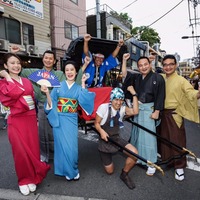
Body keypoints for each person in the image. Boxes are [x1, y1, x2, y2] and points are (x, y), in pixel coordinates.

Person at [0, 53, 50, 196]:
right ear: (5, 66)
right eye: (12, 63)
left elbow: (31, 99)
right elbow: (14, 94)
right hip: (16, 120)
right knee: (20, 152)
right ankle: (23, 179)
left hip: (29, 119)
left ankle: (33, 177)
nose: (16, 66)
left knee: (33, 150)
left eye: (18, 63)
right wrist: (8, 78)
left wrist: (35, 116)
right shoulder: (3, 82)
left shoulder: (27, 81)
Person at [41, 59, 95, 180]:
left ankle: (73, 169)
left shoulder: (77, 87)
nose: (69, 72)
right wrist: (47, 94)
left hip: (71, 119)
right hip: (59, 119)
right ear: (64, 72)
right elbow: (52, 103)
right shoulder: (58, 86)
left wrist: (82, 83)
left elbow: (85, 99)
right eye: (67, 70)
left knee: (71, 148)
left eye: (72, 70)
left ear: (76, 72)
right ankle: (66, 171)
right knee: (61, 147)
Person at [12, 46, 66, 163]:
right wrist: (14, 55)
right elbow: (17, 70)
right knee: (42, 133)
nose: (48, 60)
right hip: (41, 106)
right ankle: (44, 155)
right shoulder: (34, 72)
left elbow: (63, 89)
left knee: (55, 131)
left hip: (55, 107)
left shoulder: (59, 74)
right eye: (46, 58)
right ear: (43, 59)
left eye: (51, 59)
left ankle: (55, 154)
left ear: (55, 61)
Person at [122, 53, 165, 176]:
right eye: (140, 65)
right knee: (138, 135)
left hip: (149, 110)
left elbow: (161, 95)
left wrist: (157, 111)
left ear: (150, 64)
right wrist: (124, 61)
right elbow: (125, 75)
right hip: (138, 109)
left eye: (145, 64)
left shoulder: (158, 78)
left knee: (148, 138)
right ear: (138, 67)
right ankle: (138, 158)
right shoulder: (137, 77)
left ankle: (151, 163)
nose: (143, 67)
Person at [158, 54, 200, 181]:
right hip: (160, 113)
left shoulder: (181, 80)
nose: (168, 67)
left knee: (177, 141)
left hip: (174, 114)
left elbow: (190, 92)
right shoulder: (160, 77)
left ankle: (179, 166)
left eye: (171, 64)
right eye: (165, 65)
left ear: (175, 65)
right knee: (163, 139)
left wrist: (198, 93)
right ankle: (168, 161)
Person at [95, 87, 139, 189]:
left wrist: (134, 94)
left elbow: (135, 111)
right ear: (111, 99)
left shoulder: (122, 109)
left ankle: (124, 174)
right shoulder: (104, 108)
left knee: (134, 153)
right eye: (116, 99)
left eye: (121, 100)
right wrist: (101, 131)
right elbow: (96, 123)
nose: (119, 103)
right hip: (105, 142)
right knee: (110, 171)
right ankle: (105, 158)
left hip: (116, 139)